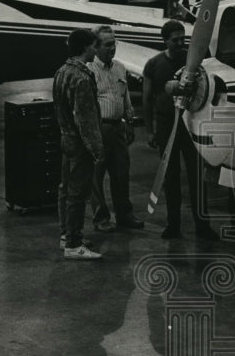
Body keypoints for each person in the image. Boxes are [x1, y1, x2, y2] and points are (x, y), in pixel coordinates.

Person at [142, 19, 218, 242]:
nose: (179, 43)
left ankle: (203, 226)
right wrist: (149, 130)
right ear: (164, 40)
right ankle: (173, 224)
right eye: (174, 40)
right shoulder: (154, 65)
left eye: (183, 39)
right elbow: (146, 100)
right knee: (171, 176)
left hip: (192, 122)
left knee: (197, 176)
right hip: (167, 125)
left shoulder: (195, 61)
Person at [87, 25, 144, 233]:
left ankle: (124, 214)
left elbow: (125, 95)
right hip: (99, 127)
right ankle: (101, 217)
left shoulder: (120, 67)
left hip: (118, 127)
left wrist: (130, 121)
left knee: (121, 173)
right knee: (96, 175)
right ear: (96, 46)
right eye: (108, 44)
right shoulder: (89, 70)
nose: (113, 48)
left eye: (114, 44)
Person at [53, 28, 104, 259]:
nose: (96, 50)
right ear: (85, 48)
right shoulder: (82, 77)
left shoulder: (62, 71)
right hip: (80, 143)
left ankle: (66, 235)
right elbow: (86, 119)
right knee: (78, 193)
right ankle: (74, 244)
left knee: (65, 189)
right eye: (94, 46)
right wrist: (96, 148)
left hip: (66, 139)